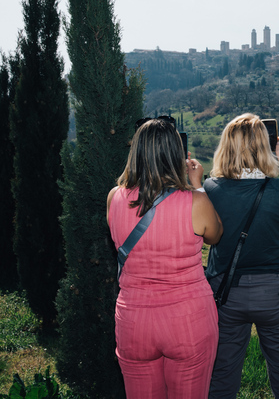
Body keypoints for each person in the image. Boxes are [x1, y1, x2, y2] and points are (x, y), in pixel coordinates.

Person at [193, 113, 279, 399]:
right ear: (265, 146)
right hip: (277, 294)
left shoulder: (210, 190)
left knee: (221, 377)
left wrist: (196, 185)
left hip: (226, 294)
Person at [107, 117, 223, 398]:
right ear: (178, 155)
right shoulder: (195, 202)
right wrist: (197, 186)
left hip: (134, 321)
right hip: (188, 320)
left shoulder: (114, 198)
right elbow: (216, 235)